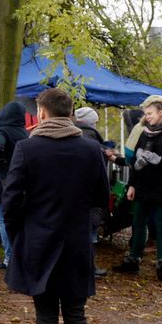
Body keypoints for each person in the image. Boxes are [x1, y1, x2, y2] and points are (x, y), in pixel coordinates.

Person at [3, 88, 107, 324]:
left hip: (40, 240)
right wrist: (86, 224)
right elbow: (102, 199)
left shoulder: (27, 149)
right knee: (75, 315)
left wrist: (20, 231)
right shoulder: (90, 150)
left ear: (42, 112)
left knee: (47, 313)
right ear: (71, 113)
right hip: (75, 241)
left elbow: (10, 201)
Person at [112, 95, 162, 282]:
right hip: (143, 188)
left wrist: (160, 161)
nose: (147, 117)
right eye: (146, 114)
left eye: (150, 113)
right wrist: (132, 184)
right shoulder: (145, 133)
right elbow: (135, 164)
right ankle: (133, 260)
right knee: (138, 225)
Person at [0, 101, 29, 270]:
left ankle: (9, 258)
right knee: (18, 221)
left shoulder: (3, 132)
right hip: (20, 182)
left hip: (1, 181)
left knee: (3, 220)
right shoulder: (25, 134)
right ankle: (19, 256)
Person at [73, 106, 111, 278]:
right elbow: (96, 168)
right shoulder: (91, 138)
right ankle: (88, 268)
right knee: (89, 233)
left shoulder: (75, 134)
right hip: (89, 193)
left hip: (78, 193)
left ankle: (87, 267)